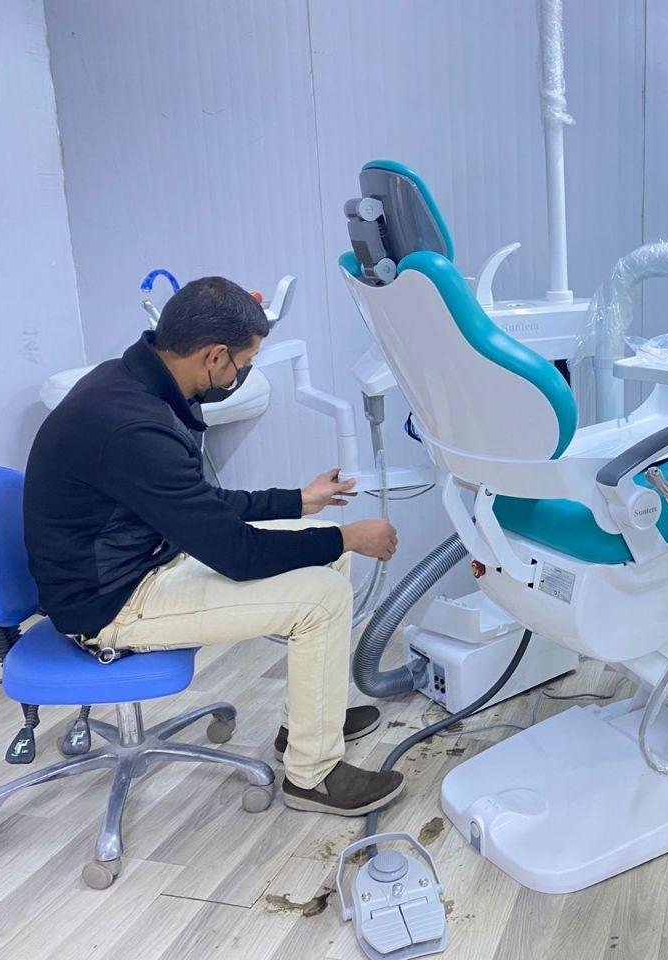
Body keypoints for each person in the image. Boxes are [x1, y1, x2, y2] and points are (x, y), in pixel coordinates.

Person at [23, 276, 404, 816]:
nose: (240, 374)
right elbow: (237, 554)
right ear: (215, 356)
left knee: (329, 556)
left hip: (143, 562)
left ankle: (307, 725)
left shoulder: (134, 382)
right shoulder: (132, 427)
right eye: (244, 363)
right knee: (323, 597)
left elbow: (197, 503)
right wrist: (349, 534)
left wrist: (298, 501)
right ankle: (312, 777)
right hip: (109, 605)